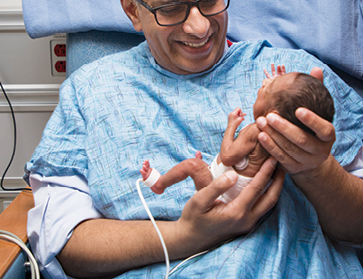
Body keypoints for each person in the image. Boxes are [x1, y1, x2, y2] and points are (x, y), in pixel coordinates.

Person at [25, 0, 363, 279]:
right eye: (170, 9)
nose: (199, 27)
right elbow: (63, 243)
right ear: (132, 10)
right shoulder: (90, 92)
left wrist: (316, 169)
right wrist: (185, 235)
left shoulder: (293, 78)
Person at [140, 68, 335, 203]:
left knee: (193, 166)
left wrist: (231, 126)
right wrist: (281, 93)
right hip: (244, 196)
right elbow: (284, 108)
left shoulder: (256, 131)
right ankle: (210, 169)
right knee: (205, 165)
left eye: (264, 89)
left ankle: (159, 184)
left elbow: (228, 155)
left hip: (221, 198)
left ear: (275, 117)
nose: (263, 83)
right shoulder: (288, 143)